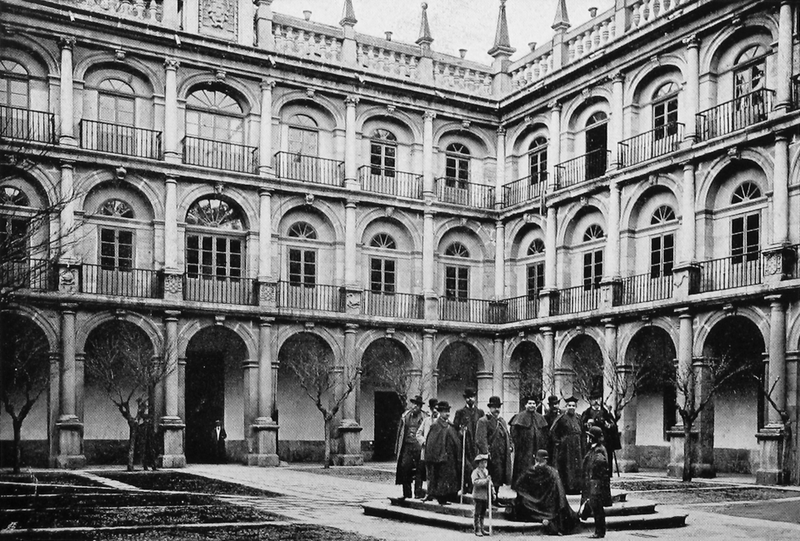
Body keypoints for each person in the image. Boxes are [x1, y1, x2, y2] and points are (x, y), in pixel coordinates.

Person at [514, 450, 580, 536]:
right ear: (546, 460)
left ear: (536, 460)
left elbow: (518, 485)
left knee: (520, 503)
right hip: (551, 508)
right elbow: (560, 493)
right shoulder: (553, 472)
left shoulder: (531, 471)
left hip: (535, 505)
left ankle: (542, 519)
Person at [425, 401, 462, 505]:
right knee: (441, 478)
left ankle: (447, 497)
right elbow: (432, 442)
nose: (447, 413)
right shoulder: (436, 425)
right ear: (440, 412)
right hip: (440, 458)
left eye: (448, 411)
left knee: (449, 478)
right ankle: (441, 499)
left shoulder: (449, 425)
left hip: (450, 457)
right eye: (445, 411)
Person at [475, 395, 512, 500]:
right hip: (490, 456)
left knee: (499, 477)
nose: (497, 409)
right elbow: (480, 439)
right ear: (490, 408)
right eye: (494, 407)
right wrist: (486, 453)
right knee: (489, 477)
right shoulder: (484, 421)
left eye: (498, 407)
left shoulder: (502, 421)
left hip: (501, 455)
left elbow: (507, 435)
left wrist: (511, 446)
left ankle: (495, 498)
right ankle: (488, 500)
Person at [509, 396, 550, 490]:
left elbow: (544, 432)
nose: (532, 406)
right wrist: (519, 443)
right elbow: (514, 432)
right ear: (525, 405)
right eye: (530, 403)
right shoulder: (520, 417)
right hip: (524, 448)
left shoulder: (540, 417)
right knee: (524, 466)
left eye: (534, 404)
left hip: (537, 446)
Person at [580, 426, 612, 538]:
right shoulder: (593, 448)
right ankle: (599, 531)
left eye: (589, 436)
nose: (588, 438)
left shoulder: (599, 450)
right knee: (595, 506)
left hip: (596, 482)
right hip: (593, 482)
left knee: (597, 508)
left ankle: (599, 532)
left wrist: (593, 478)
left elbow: (598, 464)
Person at [549, 396, 584, 494]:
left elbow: (583, 432)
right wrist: (558, 442)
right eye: (569, 406)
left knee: (577, 466)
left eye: (573, 406)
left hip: (577, 446)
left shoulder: (579, 417)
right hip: (566, 447)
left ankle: (577, 487)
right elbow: (552, 431)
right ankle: (568, 488)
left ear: (576, 407)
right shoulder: (561, 418)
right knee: (567, 466)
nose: (571, 407)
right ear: (566, 406)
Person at [453, 388, 484, 494]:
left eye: (472, 397)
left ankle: (473, 488)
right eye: (468, 397)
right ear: (465, 399)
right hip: (464, 444)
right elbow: (455, 428)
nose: (470, 399)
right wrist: (461, 431)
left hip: (476, 444)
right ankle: (465, 487)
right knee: (466, 466)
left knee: (476, 465)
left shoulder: (480, 412)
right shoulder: (460, 412)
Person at [395, 394, 427, 499]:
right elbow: (400, 433)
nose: (414, 407)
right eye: (413, 404)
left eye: (417, 405)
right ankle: (406, 494)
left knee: (420, 470)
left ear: (420, 407)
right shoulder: (405, 416)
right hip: (407, 446)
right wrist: (398, 448)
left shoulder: (424, 417)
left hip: (418, 447)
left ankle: (418, 493)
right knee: (405, 468)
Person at [580, 395, 621, 464]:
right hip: (591, 441)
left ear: (601, 399)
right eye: (594, 399)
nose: (596, 401)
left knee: (606, 458)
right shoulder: (586, 413)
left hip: (605, 440)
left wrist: (609, 426)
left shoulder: (606, 413)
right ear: (590, 401)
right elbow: (581, 425)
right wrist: (587, 424)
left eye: (598, 399)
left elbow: (613, 424)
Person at [416, 397, 439, 499]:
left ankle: (438, 493)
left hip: (439, 451)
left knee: (438, 473)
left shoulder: (442, 421)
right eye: (433, 408)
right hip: (427, 451)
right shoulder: (426, 421)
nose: (434, 410)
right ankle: (429, 493)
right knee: (429, 473)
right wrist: (424, 442)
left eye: (436, 408)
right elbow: (418, 434)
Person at [471, 453, 491, 537]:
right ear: (478, 463)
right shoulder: (475, 472)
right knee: (477, 513)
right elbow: (475, 482)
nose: (484, 465)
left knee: (483, 513)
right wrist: (485, 481)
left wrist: (493, 492)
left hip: (485, 496)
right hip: (478, 496)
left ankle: (482, 528)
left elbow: (490, 483)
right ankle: (477, 529)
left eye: (485, 463)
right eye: (482, 463)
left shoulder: (486, 472)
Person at [140, 405, 158, 471]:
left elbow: (152, 435)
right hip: (144, 443)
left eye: (148, 419)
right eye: (146, 419)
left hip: (150, 443)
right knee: (145, 455)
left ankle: (154, 467)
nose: (147, 421)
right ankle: (145, 466)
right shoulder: (141, 427)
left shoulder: (150, 427)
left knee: (152, 455)